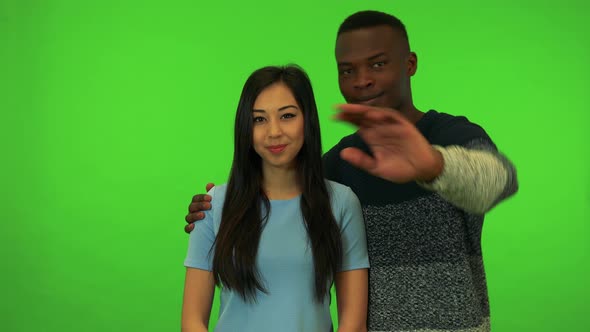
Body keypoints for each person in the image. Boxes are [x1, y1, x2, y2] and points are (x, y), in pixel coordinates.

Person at [185, 11, 518, 332]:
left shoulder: (451, 135)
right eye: (347, 70)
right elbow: (282, 196)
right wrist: (216, 209)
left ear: (410, 63)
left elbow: (499, 183)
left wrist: (433, 165)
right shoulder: (338, 166)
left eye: (378, 63)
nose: (363, 80)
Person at [181, 65, 369, 332]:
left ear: (308, 119)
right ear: (246, 128)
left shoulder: (341, 203)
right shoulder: (213, 205)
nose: (273, 132)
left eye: (287, 116)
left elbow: (353, 324)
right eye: (259, 119)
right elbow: (192, 321)